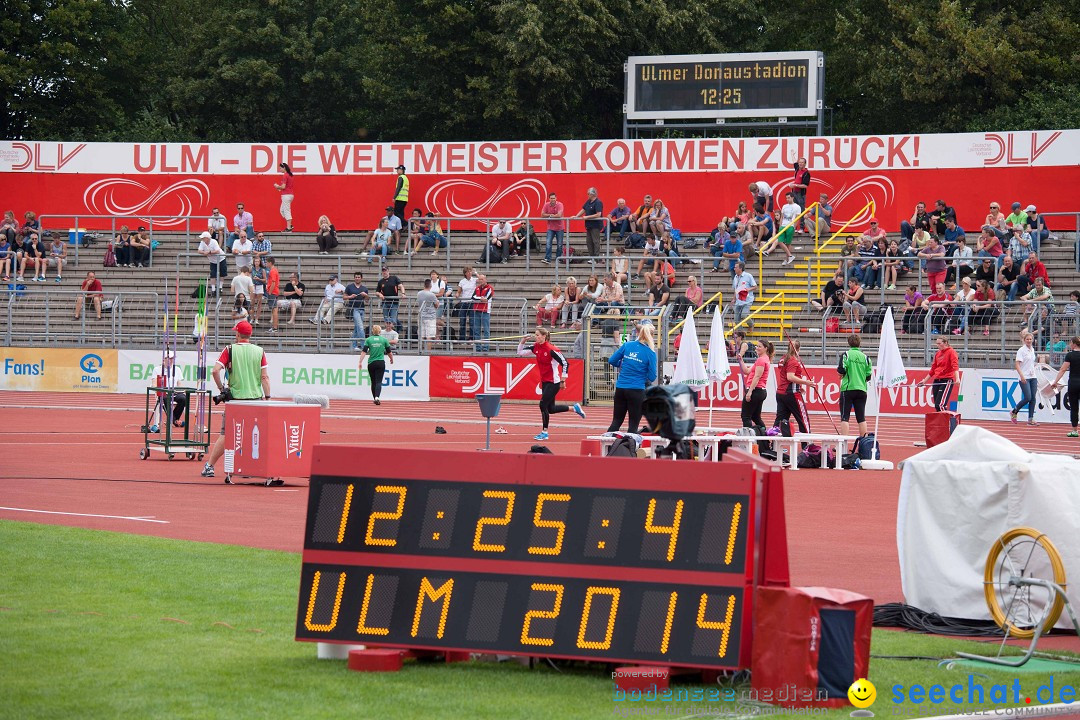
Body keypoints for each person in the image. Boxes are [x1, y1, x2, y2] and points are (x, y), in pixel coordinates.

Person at [201, 320, 271, 481]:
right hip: (255, 399)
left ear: (238, 334)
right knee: (253, 435)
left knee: (227, 434)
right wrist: (267, 397)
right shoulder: (259, 351)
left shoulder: (230, 349)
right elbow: (265, 377)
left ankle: (210, 466)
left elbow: (215, 371)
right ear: (250, 335)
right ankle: (249, 467)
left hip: (236, 400)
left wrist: (222, 390)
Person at [517, 327, 585, 441]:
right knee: (551, 409)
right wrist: (523, 341)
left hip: (554, 382)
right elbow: (520, 352)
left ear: (544, 336)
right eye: (535, 334)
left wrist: (563, 380)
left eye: (538, 335)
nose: (536, 336)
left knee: (542, 405)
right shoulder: (536, 347)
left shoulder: (551, 349)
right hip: (544, 381)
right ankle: (574, 408)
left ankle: (544, 432)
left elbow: (565, 363)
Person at [607, 322, 657, 433]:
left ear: (639, 333)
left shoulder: (627, 345)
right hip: (636, 389)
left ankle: (607, 447)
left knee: (616, 422)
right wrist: (642, 372)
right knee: (633, 425)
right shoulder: (650, 352)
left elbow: (612, 360)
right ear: (652, 336)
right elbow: (652, 376)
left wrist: (622, 365)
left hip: (621, 388)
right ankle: (630, 449)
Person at [773, 339, 814, 442]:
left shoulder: (783, 359)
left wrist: (799, 386)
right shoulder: (792, 361)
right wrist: (806, 382)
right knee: (804, 421)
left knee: (780, 422)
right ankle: (807, 447)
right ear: (798, 349)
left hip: (781, 393)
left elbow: (786, 376)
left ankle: (773, 446)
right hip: (792, 394)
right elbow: (790, 377)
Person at [837, 334, 872, 437]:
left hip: (848, 389)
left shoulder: (846, 355)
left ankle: (844, 444)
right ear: (859, 343)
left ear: (849, 343)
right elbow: (868, 376)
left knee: (845, 417)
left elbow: (841, 369)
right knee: (861, 418)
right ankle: (863, 443)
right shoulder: (866, 358)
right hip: (861, 389)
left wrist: (842, 374)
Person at [919, 336, 960, 411]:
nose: (937, 345)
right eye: (936, 343)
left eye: (939, 343)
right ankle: (942, 421)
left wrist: (957, 378)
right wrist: (924, 381)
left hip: (946, 380)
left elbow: (955, 366)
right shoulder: (937, 354)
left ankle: (946, 421)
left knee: (940, 405)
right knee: (937, 406)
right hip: (937, 380)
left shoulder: (951, 352)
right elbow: (933, 369)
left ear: (945, 343)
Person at [1049, 336, 1080, 437]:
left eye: (1071, 343)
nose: (1069, 344)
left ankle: (1075, 431)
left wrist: (1055, 381)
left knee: (1074, 407)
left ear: (1074, 344)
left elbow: (1062, 370)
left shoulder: (1070, 356)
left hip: (1073, 383)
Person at [739, 340, 772, 432]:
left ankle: (748, 438)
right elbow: (747, 371)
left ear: (766, 348)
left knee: (746, 416)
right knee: (756, 417)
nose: (757, 348)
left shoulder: (761, 360)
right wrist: (741, 360)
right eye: (757, 346)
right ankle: (764, 436)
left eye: (760, 346)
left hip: (755, 390)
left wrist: (749, 392)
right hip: (759, 391)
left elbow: (757, 376)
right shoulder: (762, 359)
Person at [359, 324, 394, 406]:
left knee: (373, 382)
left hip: (371, 362)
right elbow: (389, 352)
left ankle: (374, 397)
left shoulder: (368, 340)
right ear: (379, 331)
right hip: (380, 362)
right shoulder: (384, 340)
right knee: (379, 381)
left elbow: (364, 351)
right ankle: (377, 397)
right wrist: (391, 359)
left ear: (372, 331)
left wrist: (360, 361)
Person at [1010, 331, 1039, 426]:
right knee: (1028, 397)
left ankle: (1030, 419)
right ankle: (1015, 411)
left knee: (1033, 398)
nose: (1029, 341)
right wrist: (1022, 376)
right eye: (1027, 339)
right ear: (1024, 340)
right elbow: (1017, 364)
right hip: (1024, 377)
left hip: (1033, 376)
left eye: (1030, 339)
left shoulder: (1032, 350)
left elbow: (1031, 362)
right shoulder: (1021, 350)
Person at [572, 187, 604, 259]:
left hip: (595, 225)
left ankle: (596, 258)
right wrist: (576, 216)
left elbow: (598, 214)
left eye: (588, 194)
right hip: (589, 225)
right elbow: (583, 209)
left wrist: (587, 217)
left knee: (595, 241)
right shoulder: (588, 201)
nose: (587, 195)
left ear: (592, 194)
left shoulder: (598, 202)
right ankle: (591, 257)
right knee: (589, 242)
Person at [197, 230, 227, 296]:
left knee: (222, 273)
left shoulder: (214, 241)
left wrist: (210, 252)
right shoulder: (202, 242)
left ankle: (220, 287)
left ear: (207, 238)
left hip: (221, 259)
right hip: (212, 261)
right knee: (213, 274)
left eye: (203, 238)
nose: (202, 239)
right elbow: (199, 250)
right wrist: (204, 252)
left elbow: (218, 251)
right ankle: (213, 290)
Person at [345, 271, 369, 350]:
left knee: (357, 327)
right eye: (356, 277)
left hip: (362, 308)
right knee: (361, 327)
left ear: (361, 278)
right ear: (354, 278)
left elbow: (367, 300)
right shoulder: (349, 287)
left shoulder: (364, 288)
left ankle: (354, 345)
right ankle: (364, 346)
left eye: (359, 277)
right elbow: (344, 297)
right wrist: (350, 297)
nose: (357, 278)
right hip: (354, 309)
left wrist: (365, 295)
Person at [541, 192, 565, 264]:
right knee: (548, 243)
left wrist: (550, 216)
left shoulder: (560, 204)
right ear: (549, 199)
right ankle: (548, 258)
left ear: (556, 198)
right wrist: (552, 215)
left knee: (560, 244)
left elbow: (559, 215)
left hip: (560, 227)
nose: (552, 200)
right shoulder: (546, 204)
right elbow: (542, 215)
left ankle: (558, 258)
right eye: (551, 198)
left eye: (554, 198)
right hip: (550, 227)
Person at [472, 273, 494, 352]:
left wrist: (479, 299)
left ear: (485, 280)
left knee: (486, 330)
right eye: (479, 279)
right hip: (476, 310)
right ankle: (478, 347)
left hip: (485, 311)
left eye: (482, 279)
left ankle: (485, 347)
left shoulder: (490, 288)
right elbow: (473, 297)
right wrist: (480, 299)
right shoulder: (477, 288)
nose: (480, 281)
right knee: (476, 330)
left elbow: (486, 299)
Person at [417, 278, 440, 352]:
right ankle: (428, 353)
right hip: (430, 317)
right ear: (430, 286)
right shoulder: (432, 295)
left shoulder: (419, 293)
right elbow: (436, 305)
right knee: (429, 336)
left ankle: (420, 351)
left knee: (421, 336)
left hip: (421, 316)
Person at [731, 262, 756, 329]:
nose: (734, 269)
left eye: (736, 267)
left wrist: (747, 289)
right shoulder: (735, 277)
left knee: (744, 315)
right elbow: (736, 289)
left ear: (740, 268)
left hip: (747, 300)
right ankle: (741, 334)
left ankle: (751, 325)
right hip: (738, 301)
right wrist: (734, 299)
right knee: (736, 320)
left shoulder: (748, 276)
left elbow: (755, 286)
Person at [273, 162, 295, 232]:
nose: (280, 169)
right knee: (282, 210)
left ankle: (288, 228)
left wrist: (277, 186)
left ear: (284, 168)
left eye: (280, 168)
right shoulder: (290, 175)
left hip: (286, 195)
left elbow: (283, 186)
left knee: (286, 211)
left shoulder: (285, 175)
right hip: (289, 194)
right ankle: (290, 225)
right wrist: (279, 188)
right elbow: (286, 187)